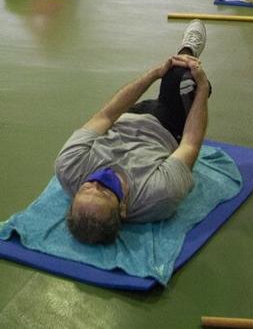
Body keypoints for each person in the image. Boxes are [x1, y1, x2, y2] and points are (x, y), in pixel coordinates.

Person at [55, 20, 211, 244]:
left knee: (164, 79)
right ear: (124, 210)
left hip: (128, 117)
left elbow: (106, 116)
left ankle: (183, 86)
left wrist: (154, 73)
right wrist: (203, 90)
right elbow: (190, 144)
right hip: (165, 128)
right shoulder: (159, 194)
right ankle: (189, 53)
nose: (98, 182)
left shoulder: (69, 168)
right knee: (180, 77)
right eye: (105, 192)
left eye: (87, 187)